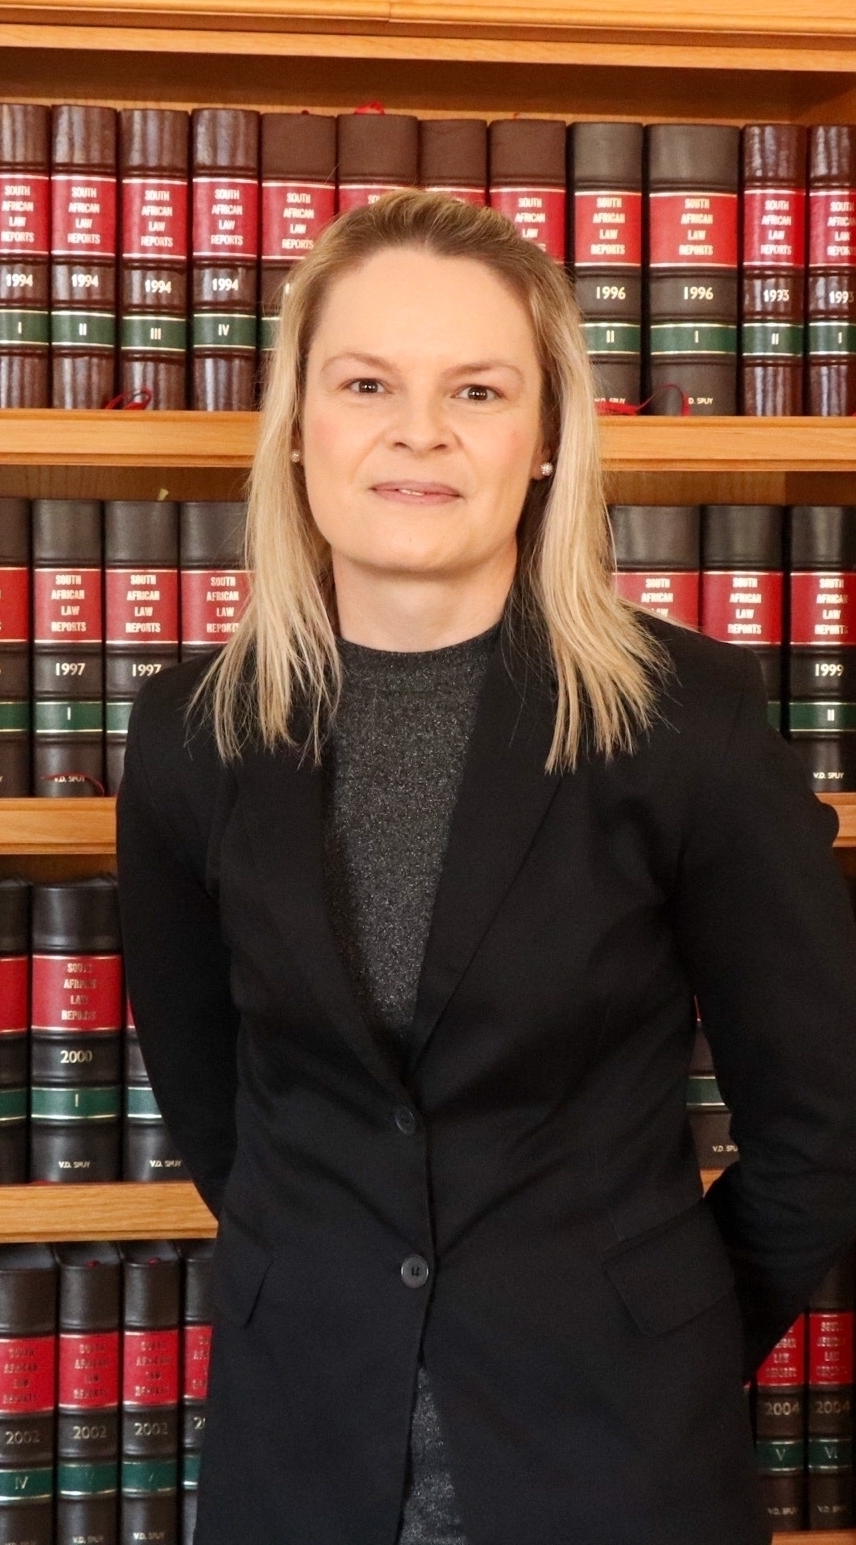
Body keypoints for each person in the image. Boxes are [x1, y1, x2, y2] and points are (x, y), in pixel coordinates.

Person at [116, 190, 856, 1545]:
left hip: (618, 1465)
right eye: (366, 384)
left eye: (476, 389)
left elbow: (823, 1120)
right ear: (297, 424)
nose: (419, 431)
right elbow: (218, 1110)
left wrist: (659, 1332)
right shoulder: (188, 733)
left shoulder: (684, 719)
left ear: (545, 435)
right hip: (300, 1456)